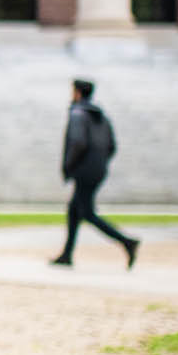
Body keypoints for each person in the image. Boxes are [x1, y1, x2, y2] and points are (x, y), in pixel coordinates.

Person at [51, 78, 138, 269]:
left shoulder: (78, 113)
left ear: (77, 92)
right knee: (74, 210)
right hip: (98, 169)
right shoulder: (102, 117)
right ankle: (67, 253)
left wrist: (69, 166)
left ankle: (127, 242)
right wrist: (99, 163)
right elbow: (112, 146)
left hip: (83, 169)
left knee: (87, 212)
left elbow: (77, 142)